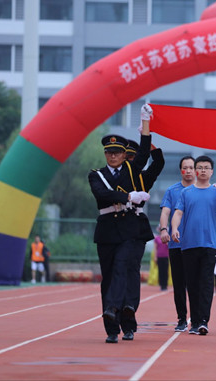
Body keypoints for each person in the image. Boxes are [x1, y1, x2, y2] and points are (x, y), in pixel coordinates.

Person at [88, 107, 152, 344]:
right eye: (109, 152)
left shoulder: (132, 170)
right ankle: (112, 328)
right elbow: (101, 194)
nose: (113, 156)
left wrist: (145, 123)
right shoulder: (96, 175)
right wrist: (127, 197)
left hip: (128, 229)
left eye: (117, 152)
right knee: (109, 277)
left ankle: (123, 315)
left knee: (122, 268)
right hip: (106, 230)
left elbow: (144, 153)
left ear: (125, 154)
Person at [170, 155, 216, 335]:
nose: (203, 170)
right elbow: (178, 213)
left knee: (206, 283)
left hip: (210, 245)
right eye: (200, 167)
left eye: (207, 167)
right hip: (188, 245)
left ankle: (203, 321)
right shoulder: (186, 193)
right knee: (192, 284)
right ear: (196, 170)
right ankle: (195, 321)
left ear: (212, 171)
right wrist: (174, 228)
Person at [122, 132, 164, 340]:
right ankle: (114, 313)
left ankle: (129, 313)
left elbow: (159, 162)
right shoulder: (111, 175)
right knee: (116, 273)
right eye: (127, 158)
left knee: (132, 271)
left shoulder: (142, 177)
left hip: (136, 228)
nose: (130, 162)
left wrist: (149, 142)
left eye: (133, 158)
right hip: (114, 228)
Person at [159, 155, 195, 332]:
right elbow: (166, 212)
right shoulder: (172, 191)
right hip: (176, 244)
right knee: (179, 284)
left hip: (197, 245)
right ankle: (182, 318)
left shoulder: (203, 190)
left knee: (195, 284)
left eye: (191, 167)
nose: (188, 171)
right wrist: (164, 229)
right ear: (181, 170)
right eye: (185, 167)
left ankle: (197, 319)